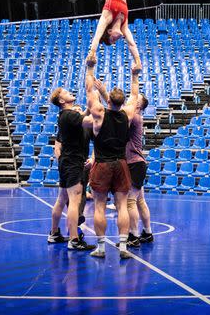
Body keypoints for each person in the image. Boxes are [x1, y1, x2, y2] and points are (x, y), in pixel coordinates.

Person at [81, 52, 142, 259]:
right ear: (122, 102)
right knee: (122, 205)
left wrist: (90, 67)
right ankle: (124, 247)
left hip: (103, 164)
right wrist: (135, 75)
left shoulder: (98, 114)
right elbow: (135, 96)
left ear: (109, 102)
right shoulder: (127, 116)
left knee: (99, 205)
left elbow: (90, 90)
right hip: (121, 164)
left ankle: (101, 247)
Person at [47, 88, 95, 251]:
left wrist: (88, 107)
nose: (70, 92)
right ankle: (74, 239)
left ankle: (54, 234)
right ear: (61, 100)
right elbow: (90, 120)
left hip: (67, 162)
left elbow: (84, 116)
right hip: (73, 162)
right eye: (66, 92)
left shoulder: (66, 116)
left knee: (61, 199)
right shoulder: (69, 115)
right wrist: (93, 101)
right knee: (74, 202)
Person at [125, 93, 154, 248]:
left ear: (138, 105)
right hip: (136, 162)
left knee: (130, 201)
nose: (129, 98)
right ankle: (147, 232)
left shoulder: (134, 118)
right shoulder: (135, 117)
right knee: (140, 200)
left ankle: (134, 235)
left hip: (134, 164)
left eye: (133, 98)